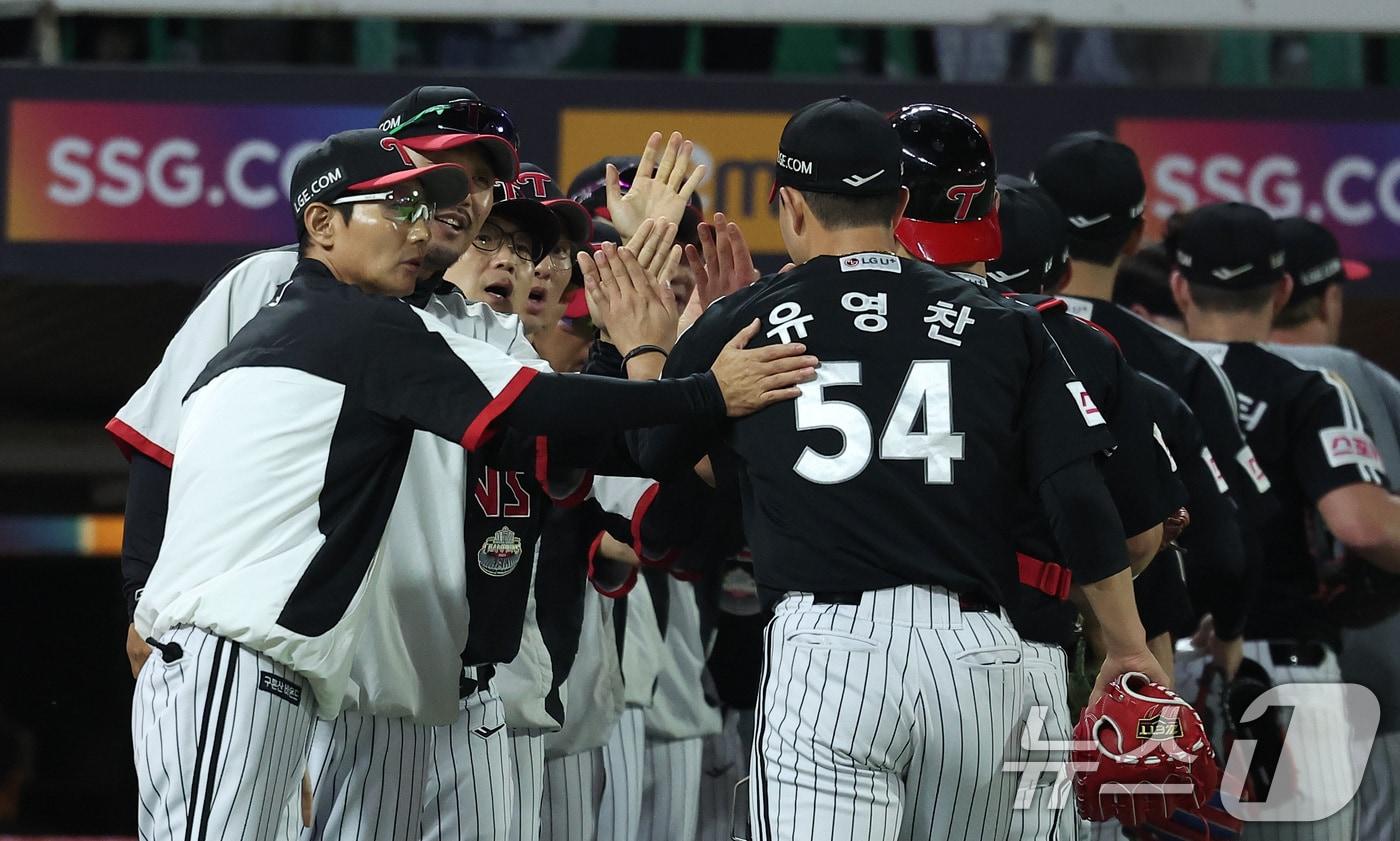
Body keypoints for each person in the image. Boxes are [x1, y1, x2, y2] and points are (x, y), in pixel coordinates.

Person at [129, 126, 816, 841]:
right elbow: (547, 408)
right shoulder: (344, 324)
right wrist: (705, 390)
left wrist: (654, 342)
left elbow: (591, 437)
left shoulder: (330, 326)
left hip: (302, 672)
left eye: (424, 212)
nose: (419, 229)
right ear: (323, 224)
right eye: (397, 209)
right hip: (238, 657)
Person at [605, 95, 1164, 841]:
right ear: (899, 206)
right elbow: (1078, 495)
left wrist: (647, 348)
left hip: (828, 652)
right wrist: (1126, 645)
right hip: (985, 653)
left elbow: (655, 451)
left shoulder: (746, 319)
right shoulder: (1009, 325)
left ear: (788, 205)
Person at [889, 105, 1182, 840]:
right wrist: (1109, 621)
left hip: (841, 646)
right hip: (1016, 651)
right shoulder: (1070, 342)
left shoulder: (815, 323)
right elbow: (1135, 539)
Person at [1169, 202, 1400, 841]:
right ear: (1282, 289)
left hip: (1165, 669)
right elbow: (1363, 525)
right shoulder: (1310, 386)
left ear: (1181, 286)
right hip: (1287, 670)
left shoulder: (1140, 375)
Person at [1033, 131, 1270, 681]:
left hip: (976, 637)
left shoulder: (965, 334)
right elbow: (1229, 548)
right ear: (1138, 234)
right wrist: (1226, 632)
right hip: (1136, 655)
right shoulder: (1180, 364)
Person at [1264, 216, 1400, 841]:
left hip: (1234, 665)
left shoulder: (1196, 370)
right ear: (1329, 298)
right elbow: (1372, 527)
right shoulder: (1341, 372)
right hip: (1365, 677)